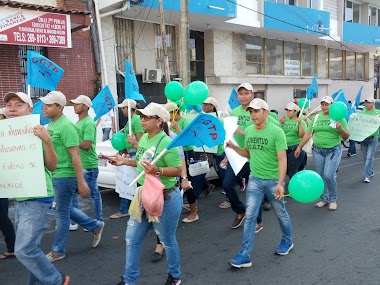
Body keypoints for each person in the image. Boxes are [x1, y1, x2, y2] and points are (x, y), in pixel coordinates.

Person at [110, 103, 182, 285]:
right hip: (142, 196)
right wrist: (124, 161)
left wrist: (157, 170)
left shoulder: (167, 142)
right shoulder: (144, 139)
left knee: (167, 240)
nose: (142, 119)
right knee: (131, 239)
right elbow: (141, 163)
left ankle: (175, 276)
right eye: (141, 116)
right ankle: (129, 280)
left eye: (147, 117)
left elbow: (178, 169)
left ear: (159, 121)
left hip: (165, 198)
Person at [3, 92, 70, 284]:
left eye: (19, 105)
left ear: (30, 110)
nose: (13, 108)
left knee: (23, 249)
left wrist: (47, 140)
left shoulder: (38, 131)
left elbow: (52, 166)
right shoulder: (5, 134)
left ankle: (57, 280)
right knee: (33, 248)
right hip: (20, 198)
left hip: (38, 197)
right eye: (9, 105)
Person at [226, 98, 293, 269]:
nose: (252, 114)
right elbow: (248, 153)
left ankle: (287, 241)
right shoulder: (249, 130)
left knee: (280, 213)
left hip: (272, 181)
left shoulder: (276, 131)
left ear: (266, 112)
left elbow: (282, 159)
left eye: (256, 111)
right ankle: (244, 255)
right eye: (250, 111)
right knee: (250, 217)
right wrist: (234, 148)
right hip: (255, 180)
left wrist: (280, 183)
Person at [40, 91, 105, 262]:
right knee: (65, 209)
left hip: (65, 175)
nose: (43, 107)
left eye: (48, 104)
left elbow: (75, 155)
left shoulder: (66, 126)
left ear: (59, 108)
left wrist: (81, 181)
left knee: (61, 214)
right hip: (57, 173)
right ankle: (96, 225)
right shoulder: (52, 124)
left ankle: (58, 250)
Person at [295, 96, 350, 211]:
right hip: (317, 150)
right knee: (320, 176)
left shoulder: (339, 118)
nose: (324, 106)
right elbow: (308, 134)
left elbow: (346, 136)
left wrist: (340, 128)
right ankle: (324, 199)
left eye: (327, 104)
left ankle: (333, 199)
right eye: (322, 104)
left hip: (333, 150)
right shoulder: (316, 118)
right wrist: (299, 147)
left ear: (332, 105)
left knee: (328, 175)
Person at [222, 83, 253, 229]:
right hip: (237, 155)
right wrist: (227, 155)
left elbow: (262, 130)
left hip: (254, 156)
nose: (243, 96)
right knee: (227, 184)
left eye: (246, 93)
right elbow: (230, 135)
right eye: (241, 93)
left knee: (255, 188)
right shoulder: (234, 112)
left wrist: (244, 132)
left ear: (252, 95)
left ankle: (261, 207)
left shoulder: (257, 110)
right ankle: (240, 211)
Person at [164, 102, 199, 223]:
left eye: (168, 113)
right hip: (175, 156)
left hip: (187, 153)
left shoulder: (184, 122)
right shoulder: (168, 125)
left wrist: (177, 127)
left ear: (174, 112)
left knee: (187, 183)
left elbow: (189, 139)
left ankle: (194, 211)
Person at [70, 95, 104, 225]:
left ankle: (99, 220)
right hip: (80, 164)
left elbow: (87, 144)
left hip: (88, 165)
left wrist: (71, 142)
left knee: (94, 194)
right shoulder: (79, 122)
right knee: (73, 194)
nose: (74, 106)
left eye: (77, 104)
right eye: (74, 104)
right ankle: (74, 221)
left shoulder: (89, 123)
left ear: (85, 106)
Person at [110, 99, 144, 219]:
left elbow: (140, 141)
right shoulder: (131, 120)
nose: (122, 110)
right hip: (130, 153)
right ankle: (127, 209)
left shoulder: (136, 121)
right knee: (128, 182)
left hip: (135, 154)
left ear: (129, 109)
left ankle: (129, 209)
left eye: (123, 108)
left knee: (132, 182)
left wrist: (134, 150)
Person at [0, 106, 16, 261]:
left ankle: (12, 247)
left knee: (2, 218)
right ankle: (12, 246)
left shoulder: (10, 138)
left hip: (3, 184)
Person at [280, 102, 307, 180]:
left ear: (295, 112)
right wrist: (280, 123)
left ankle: (293, 189)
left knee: (292, 170)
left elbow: (302, 135)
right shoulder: (285, 119)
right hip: (284, 147)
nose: (288, 112)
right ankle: (300, 180)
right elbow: (278, 132)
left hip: (295, 148)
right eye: (287, 110)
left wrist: (300, 124)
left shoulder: (300, 120)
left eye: (290, 111)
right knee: (286, 170)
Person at [360, 97, 379, 183]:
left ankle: (366, 176)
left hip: (373, 138)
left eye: (369, 102)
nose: (367, 104)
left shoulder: (377, 113)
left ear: (373, 104)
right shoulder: (362, 112)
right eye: (366, 102)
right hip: (363, 138)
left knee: (369, 157)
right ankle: (370, 171)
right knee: (365, 157)